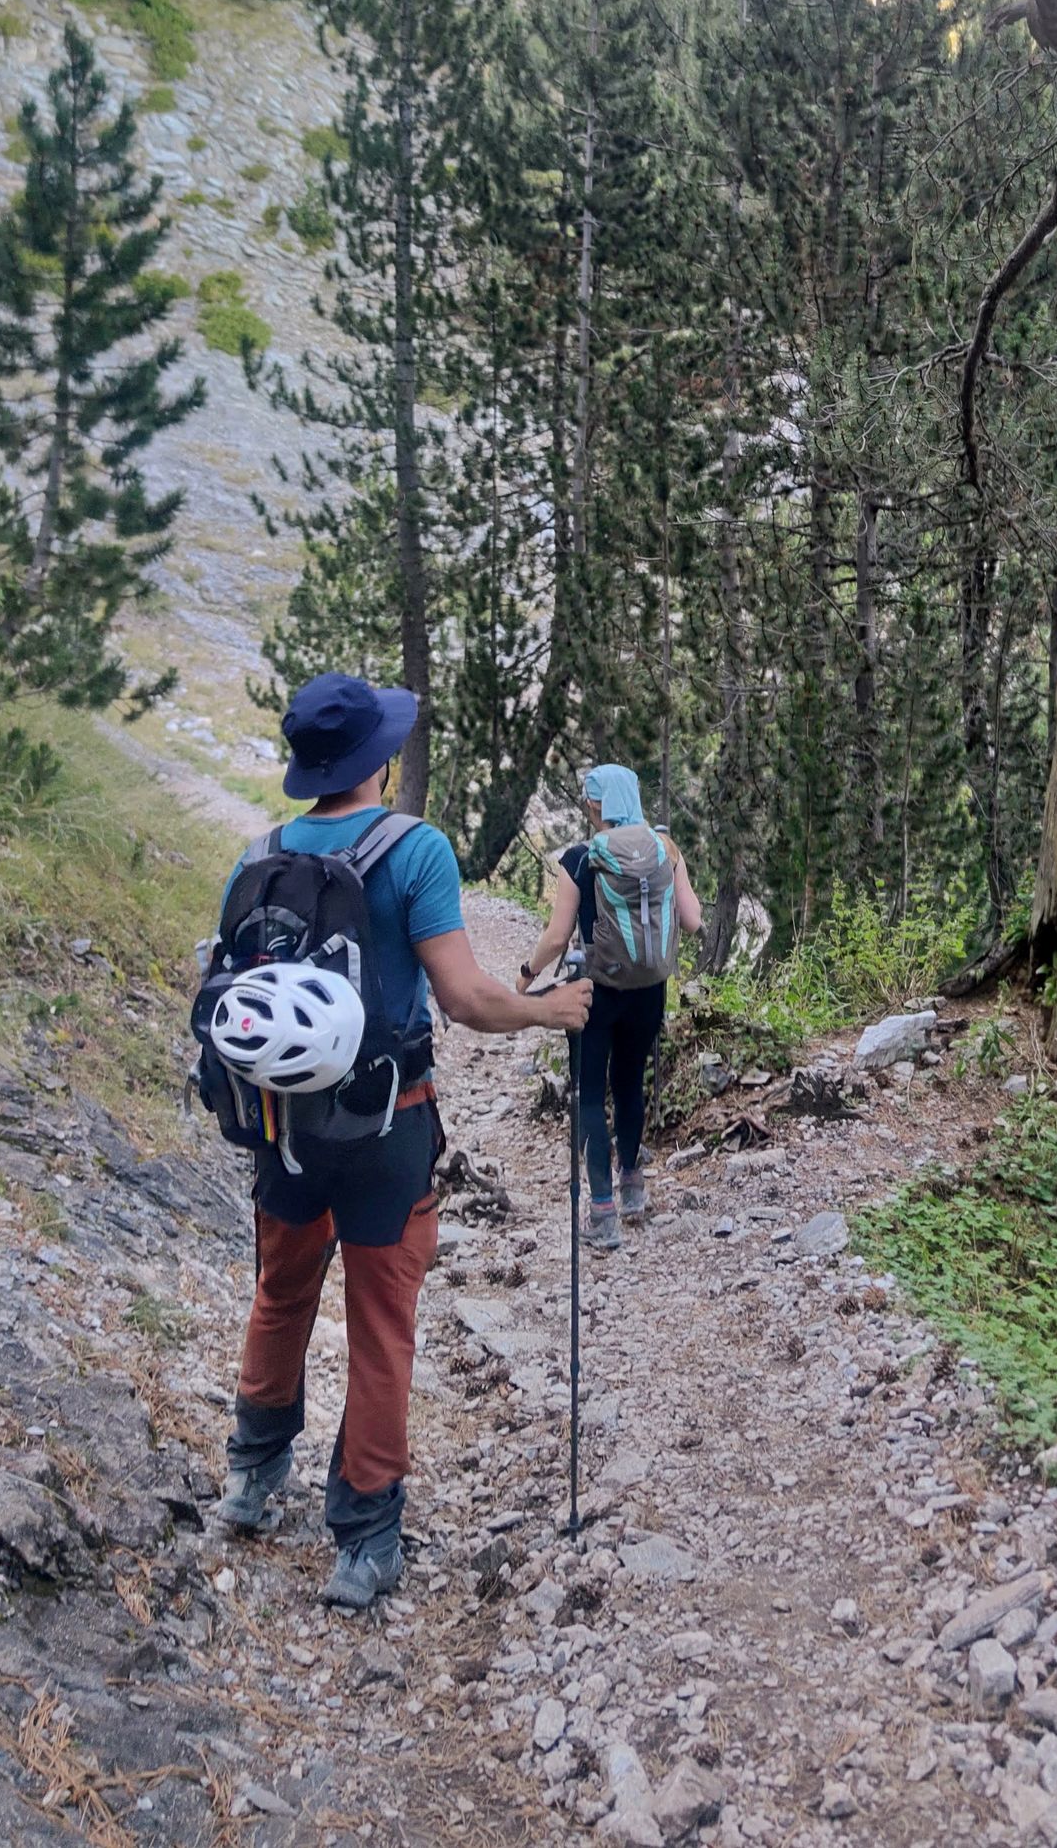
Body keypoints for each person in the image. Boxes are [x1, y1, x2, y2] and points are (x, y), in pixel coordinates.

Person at [214, 673, 592, 1611]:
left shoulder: (258, 856)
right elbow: (464, 999)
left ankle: (251, 1479)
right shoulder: (414, 850)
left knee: (280, 1294)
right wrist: (553, 1012)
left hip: (283, 1129)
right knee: (382, 1326)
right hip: (388, 1122)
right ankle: (366, 1538)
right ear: (376, 761)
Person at [521, 763, 702, 1253]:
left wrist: (525, 975)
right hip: (648, 989)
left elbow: (557, 936)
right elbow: (691, 920)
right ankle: (633, 1189)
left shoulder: (580, 858)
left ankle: (601, 1212)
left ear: (595, 805)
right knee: (628, 1083)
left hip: (593, 992)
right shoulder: (666, 850)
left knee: (588, 1096)